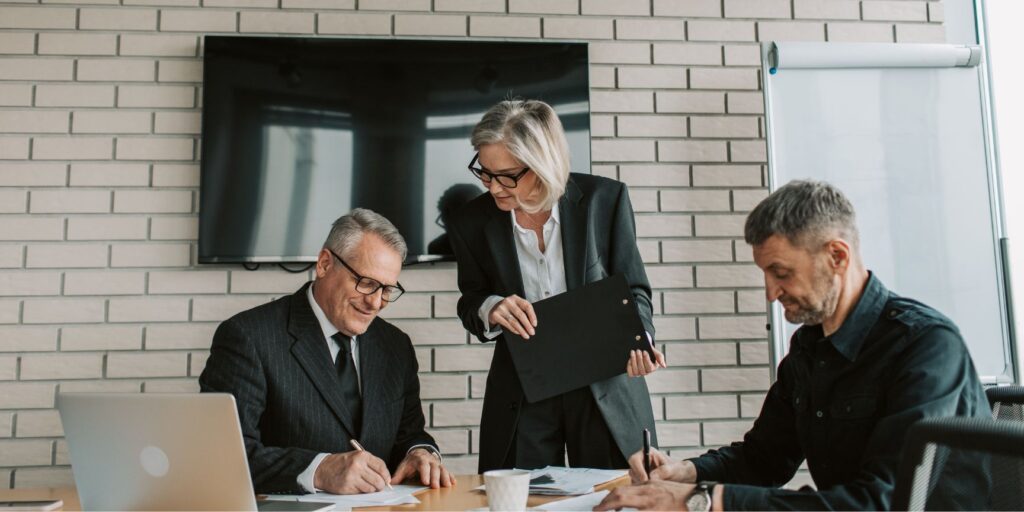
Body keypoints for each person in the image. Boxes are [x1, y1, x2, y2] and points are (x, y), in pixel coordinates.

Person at [596, 180, 990, 511]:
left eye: (781, 273)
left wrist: (698, 500)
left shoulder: (927, 346)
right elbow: (762, 459)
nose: (770, 292)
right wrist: (686, 472)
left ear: (837, 255)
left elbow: (882, 502)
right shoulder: (809, 348)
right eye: (766, 274)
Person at [446, 99, 668, 473]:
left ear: (542, 164)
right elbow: (471, 300)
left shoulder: (605, 201)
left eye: (507, 175)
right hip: (523, 387)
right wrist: (491, 308)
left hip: (606, 383)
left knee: (616, 496)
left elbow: (634, 290)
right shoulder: (470, 222)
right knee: (521, 500)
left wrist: (641, 337)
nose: (493, 187)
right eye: (485, 173)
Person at [199, 208, 456, 495]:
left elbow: (409, 433)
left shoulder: (396, 346)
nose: (375, 302)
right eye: (367, 283)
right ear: (324, 264)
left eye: (386, 289)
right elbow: (222, 454)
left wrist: (419, 452)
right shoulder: (249, 337)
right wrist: (319, 470)